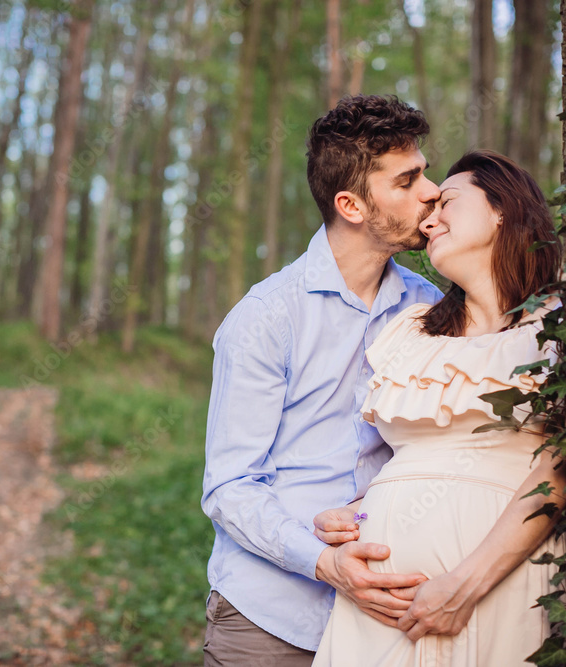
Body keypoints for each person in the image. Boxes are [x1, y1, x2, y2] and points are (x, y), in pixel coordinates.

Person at [201, 95, 443, 666]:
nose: (431, 191)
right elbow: (229, 487)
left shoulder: (430, 306)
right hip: (269, 619)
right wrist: (321, 558)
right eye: (407, 181)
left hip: (387, 620)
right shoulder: (265, 318)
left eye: (425, 173)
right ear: (351, 205)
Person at [311, 150, 566, 666]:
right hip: (378, 608)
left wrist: (464, 586)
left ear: (503, 209)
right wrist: (355, 509)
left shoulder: (562, 324)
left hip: (495, 589)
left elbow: (560, 467)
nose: (428, 220)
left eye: (447, 202)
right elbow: (405, 459)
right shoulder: (410, 330)